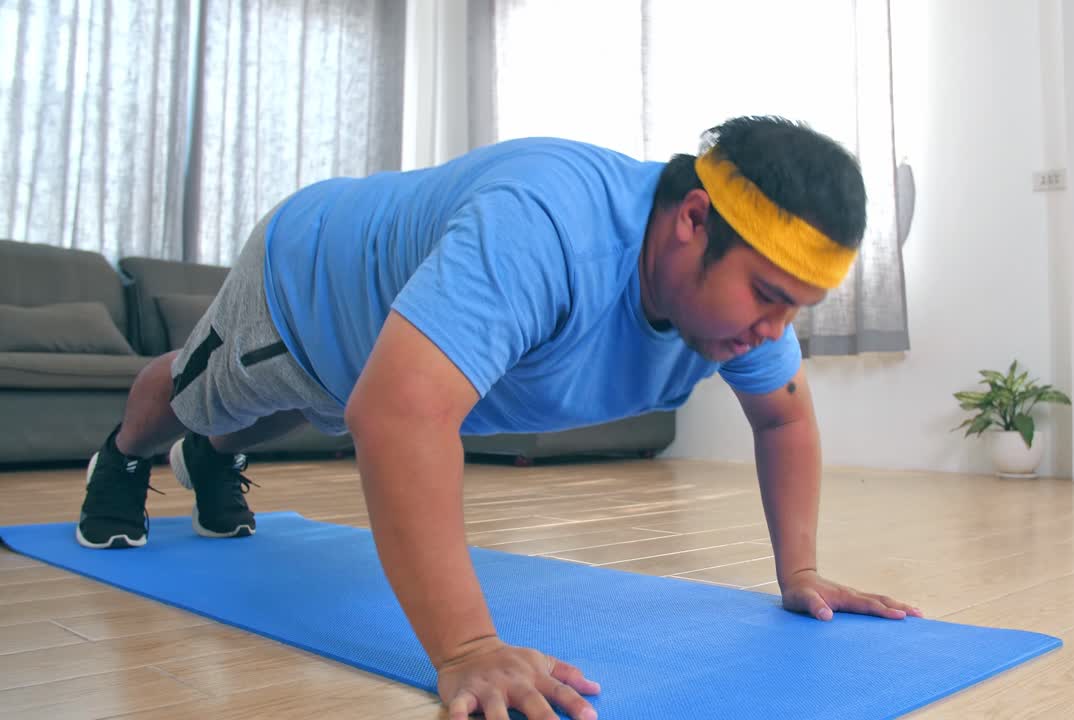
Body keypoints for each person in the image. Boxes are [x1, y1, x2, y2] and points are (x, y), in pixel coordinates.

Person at [75, 115, 923, 720]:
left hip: (377, 368)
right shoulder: (547, 225)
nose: (774, 332)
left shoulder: (744, 320)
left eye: (796, 309)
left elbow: (784, 422)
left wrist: (801, 571)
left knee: (288, 416)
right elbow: (399, 414)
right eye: (768, 298)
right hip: (303, 289)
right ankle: (120, 459)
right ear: (692, 221)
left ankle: (214, 459)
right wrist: (467, 648)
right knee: (199, 401)